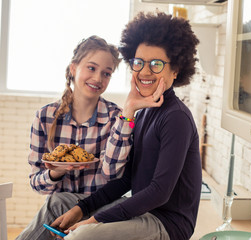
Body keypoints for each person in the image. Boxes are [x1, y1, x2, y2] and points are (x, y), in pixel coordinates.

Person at [44, 11, 202, 240]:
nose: (145, 71)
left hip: (167, 224)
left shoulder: (176, 117)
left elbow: (160, 192)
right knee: (60, 203)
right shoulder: (145, 111)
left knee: (81, 236)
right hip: (143, 212)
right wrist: (82, 209)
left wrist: (92, 221)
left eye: (156, 64)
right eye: (138, 63)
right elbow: (126, 179)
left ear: (175, 70)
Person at [16, 35, 165, 239]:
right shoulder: (45, 117)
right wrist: (56, 173)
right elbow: (37, 184)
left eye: (106, 73)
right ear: (74, 68)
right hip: (63, 209)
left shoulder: (118, 117)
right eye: (91, 68)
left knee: (56, 204)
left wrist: (127, 115)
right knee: (55, 203)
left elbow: (112, 173)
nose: (97, 79)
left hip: (101, 207)